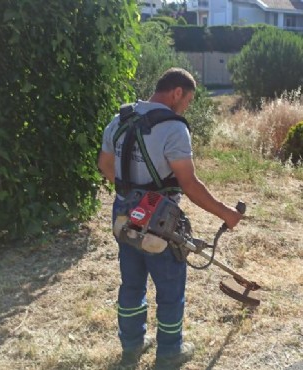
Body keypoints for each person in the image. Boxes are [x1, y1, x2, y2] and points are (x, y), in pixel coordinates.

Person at [98, 67, 242, 368]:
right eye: (188, 100)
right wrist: (226, 213)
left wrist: (133, 194)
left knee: (131, 284)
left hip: (124, 213)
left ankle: (132, 347)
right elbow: (189, 184)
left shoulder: (119, 120)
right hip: (160, 222)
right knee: (170, 289)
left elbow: (105, 166)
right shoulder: (173, 128)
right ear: (176, 92)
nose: (187, 106)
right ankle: (169, 353)